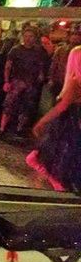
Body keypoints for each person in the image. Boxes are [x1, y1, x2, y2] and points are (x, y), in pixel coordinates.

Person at [27, 46, 81, 192]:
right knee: (66, 156)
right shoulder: (76, 83)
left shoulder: (75, 82)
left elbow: (61, 107)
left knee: (54, 155)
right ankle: (59, 185)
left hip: (69, 124)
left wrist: (42, 122)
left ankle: (57, 184)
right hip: (73, 124)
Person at [0, 26, 49, 139]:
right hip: (17, 81)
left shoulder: (38, 51)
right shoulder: (16, 50)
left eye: (30, 36)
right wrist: (6, 81)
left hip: (31, 82)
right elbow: (8, 66)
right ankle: (2, 129)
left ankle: (19, 129)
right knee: (9, 105)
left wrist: (41, 75)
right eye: (26, 36)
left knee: (26, 106)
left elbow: (41, 64)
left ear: (34, 38)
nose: (28, 39)